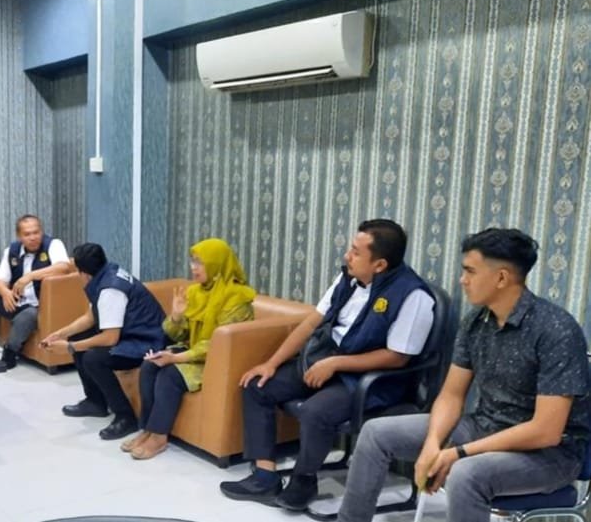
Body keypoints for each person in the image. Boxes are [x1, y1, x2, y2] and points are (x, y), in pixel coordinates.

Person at [337, 228, 590, 522]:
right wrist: (433, 443)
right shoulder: (476, 322)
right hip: (485, 426)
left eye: (470, 271)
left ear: (501, 278)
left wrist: (459, 453)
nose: (462, 280)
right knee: (375, 433)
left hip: (551, 454)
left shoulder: (556, 330)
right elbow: (452, 395)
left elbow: (545, 431)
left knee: (465, 473)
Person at [220, 219, 435, 511]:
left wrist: (336, 363)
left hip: (371, 380)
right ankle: (264, 476)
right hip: (326, 359)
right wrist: (271, 363)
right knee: (257, 385)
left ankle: (304, 480)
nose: (347, 256)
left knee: (315, 411)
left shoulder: (413, 296)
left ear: (380, 264)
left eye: (356, 252)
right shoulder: (348, 278)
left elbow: (398, 357)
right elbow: (312, 322)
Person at [122, 238, 256, 460]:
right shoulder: (195, 292)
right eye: (192, 261)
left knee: (170, 374)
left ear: (216, 263)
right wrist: (176, 316)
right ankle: (147, 429)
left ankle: (159, 437)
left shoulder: (237, 297)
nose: (193, 267)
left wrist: (176, 358)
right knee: (149, 365)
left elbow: (219, 343)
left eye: (200, 262)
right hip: (193, 352)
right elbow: (178, 336)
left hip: (217, 361)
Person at [40, 242, 167, 440]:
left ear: (83, 273)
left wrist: (70, 348)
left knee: (93, 358)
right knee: (79, 337)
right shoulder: (105, 273)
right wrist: (60, 334)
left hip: (146, 342)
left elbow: (110, 337)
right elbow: (90, 317)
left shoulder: (110, 289)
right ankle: (95, 402)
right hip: (131, 333)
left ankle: (126, 417)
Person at [0, 214, 71, 369]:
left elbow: (64, 267)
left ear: (41, 231)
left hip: (39, 306)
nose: (33, 238)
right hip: (17, 301)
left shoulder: (53, 245)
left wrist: (30, 276)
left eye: (36, 232)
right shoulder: (12, 250)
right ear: (19, 236)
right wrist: (5, 293)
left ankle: (11, 351)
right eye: (27, 234)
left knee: (28, 316)